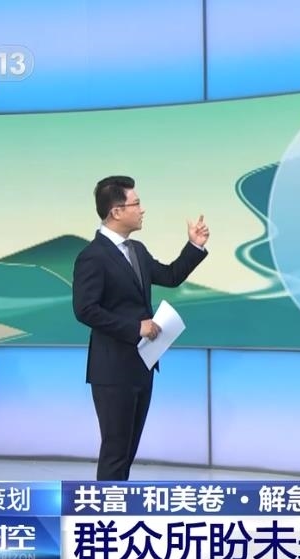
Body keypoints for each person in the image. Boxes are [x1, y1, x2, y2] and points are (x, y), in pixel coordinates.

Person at [71, 175, 209, 481]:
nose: (142, 209)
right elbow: (85, 309)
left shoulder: (137, 250)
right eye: (136, 203)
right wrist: (135, 327)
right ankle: (106, 510)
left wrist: (194, 246)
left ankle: (119, 506)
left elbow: (170, 276)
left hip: (142, 365)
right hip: (112, 370)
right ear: (116, 211)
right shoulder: (92, 257)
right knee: (115, 452)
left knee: (128, 451)